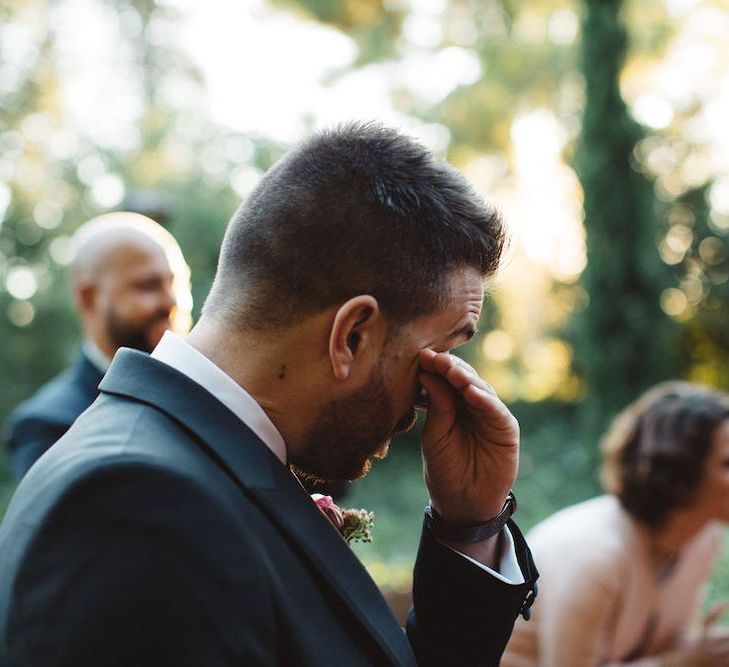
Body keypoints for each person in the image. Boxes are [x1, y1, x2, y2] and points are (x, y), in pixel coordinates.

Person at [0, 122, 538, 667]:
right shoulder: (136, 505)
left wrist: (469, 527)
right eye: (435, 353)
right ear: (352, 336)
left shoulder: (207, 464)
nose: (431, 397)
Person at [502, 381, 729, 667]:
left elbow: (664, 644)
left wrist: (708, 651)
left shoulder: (702, 540)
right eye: (727, 463)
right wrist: (684, 661)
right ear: (680, 474)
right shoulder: (594, 554)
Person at [3, 211, 193, 480]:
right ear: (88, 298)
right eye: (148, 285)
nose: (172, 302)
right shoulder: (50, 426)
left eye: (178, 282)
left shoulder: (207, 391)